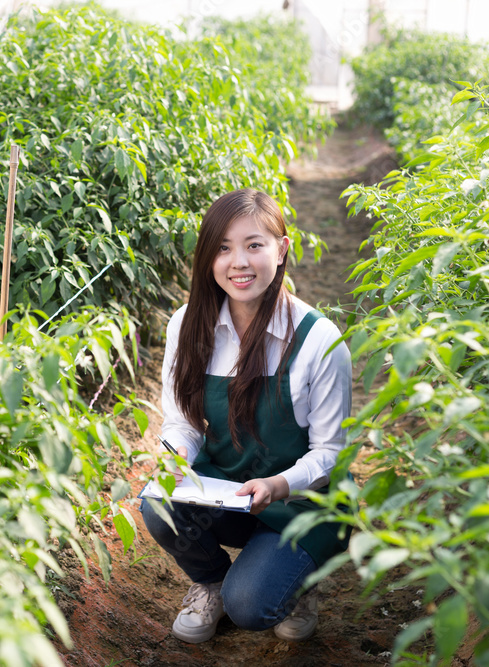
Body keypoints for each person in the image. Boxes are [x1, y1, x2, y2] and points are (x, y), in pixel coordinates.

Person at [140, 188, 353, 644]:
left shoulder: (318, 340)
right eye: (223, 248)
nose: (238, 262)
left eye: (254, 245)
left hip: (301, 505)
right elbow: (182, 420)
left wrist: (279, 485)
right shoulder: (189, 324)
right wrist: (177, 453)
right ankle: (212, 583)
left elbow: (333, 452)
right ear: (208, 257)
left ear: (282, 248)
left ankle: (298, 580)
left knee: (252, 607)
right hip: (230, 491)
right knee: (157, 504)